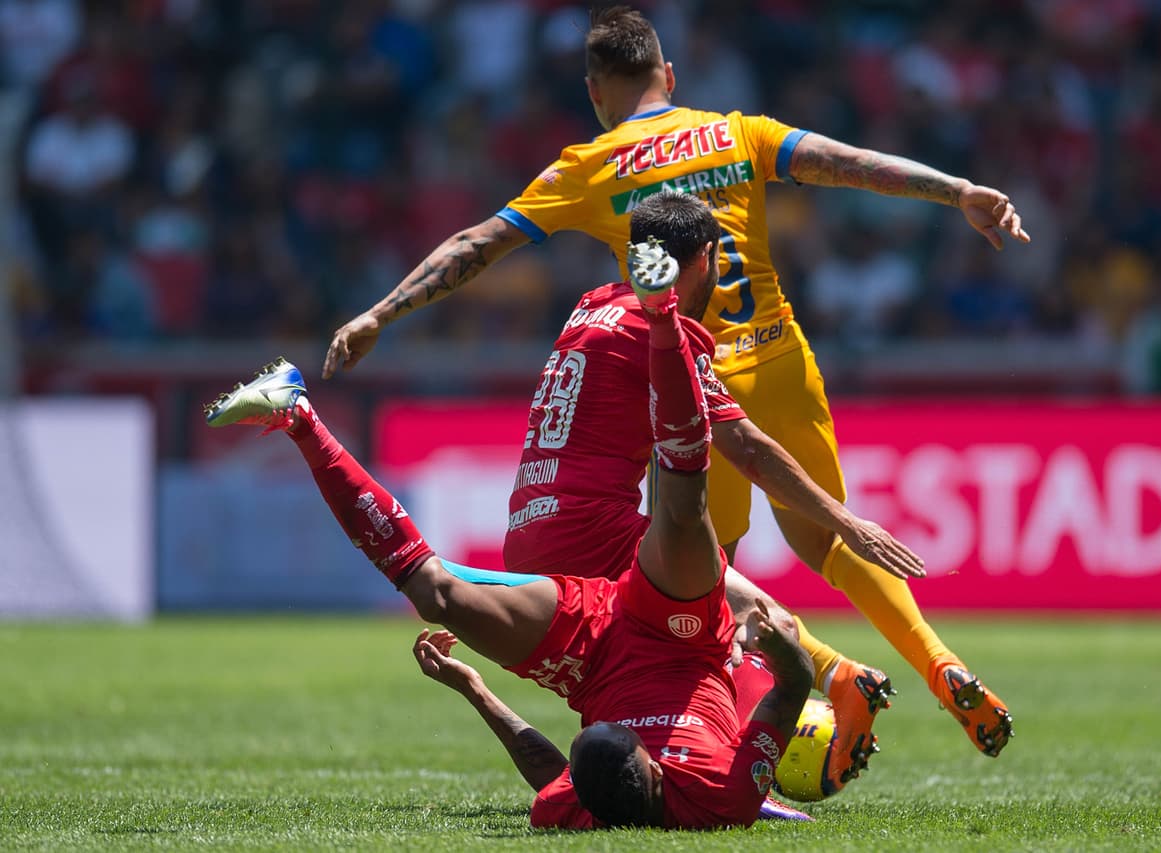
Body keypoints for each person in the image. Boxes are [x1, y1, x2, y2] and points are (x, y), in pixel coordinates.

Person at [322, 6, 1025, 756]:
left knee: (696, 583)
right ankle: (939, 662)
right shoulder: (736, 130)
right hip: (783, 360)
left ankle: (822, 678)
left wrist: (379, 314)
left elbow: (478, 243)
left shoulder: (590, 164)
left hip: (695, 381)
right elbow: (850, 162)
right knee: (829, 542)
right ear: (671, 76)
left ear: (596, 91)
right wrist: (957, 190)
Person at [203, 237, 813, 829]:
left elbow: (547, 775)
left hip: (593, 655)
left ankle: (297, 415)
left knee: (432, 593)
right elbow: (794, 685)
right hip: (684, 642)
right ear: (651, 767)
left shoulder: (576, 808)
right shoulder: (721, 797)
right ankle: (662, 317)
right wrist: (778, 643)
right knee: (683, 508)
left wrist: (476, 691)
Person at [505, 190, 920, 788]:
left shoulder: (591, 306)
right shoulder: (662, 335)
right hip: (591, 533)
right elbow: (747, 449)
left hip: (528, 529)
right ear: (707, 258)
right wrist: (847, 522)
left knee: (666, 654)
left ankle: (813, 698)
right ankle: (748, 771)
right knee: (747, 618)